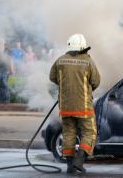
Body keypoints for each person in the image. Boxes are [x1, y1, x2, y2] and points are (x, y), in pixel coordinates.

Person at [50, 34, 100, 174]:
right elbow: (96, 81)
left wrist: (66, 86)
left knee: (68, 134)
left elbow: (52, 77)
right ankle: (80, 160)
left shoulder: (60, 61)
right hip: (84, 106)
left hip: (65, 106)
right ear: (83, 47)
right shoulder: (88, 61)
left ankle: (70, 166)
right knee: (89, 131)